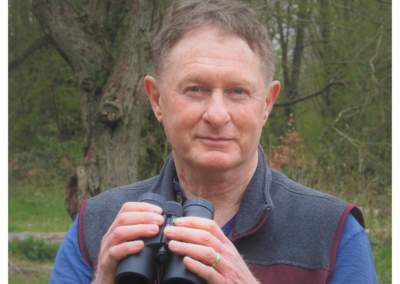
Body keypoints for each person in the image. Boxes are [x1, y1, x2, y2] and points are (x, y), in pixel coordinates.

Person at [49, 0, 378, 283]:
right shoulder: (96, 225)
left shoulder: (332, 233)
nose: (217, 114)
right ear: (156, 99)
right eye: (196, 89)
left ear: (266, 103)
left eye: (238, 91)